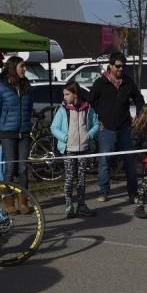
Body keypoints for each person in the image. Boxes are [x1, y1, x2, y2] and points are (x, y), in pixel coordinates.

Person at [90, 52, 145, 203]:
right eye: (118, 66)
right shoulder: (100, 83)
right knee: (104, 161)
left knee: (129, 161)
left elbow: (139, 98)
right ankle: (104, 191)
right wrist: (99, 117)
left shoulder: (128, 82)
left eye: (123, 66)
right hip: (106, 129)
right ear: (111, 65)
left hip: (124, 127)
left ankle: (132, 193)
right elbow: (91, 101)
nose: (121, 69)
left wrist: (139, 115)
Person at [50, 81, 100, 218]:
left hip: (84, 149)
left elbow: (96, 124)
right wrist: (65, 138)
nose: (64, 97)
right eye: (64, 94)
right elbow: (54, 128)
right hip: (69, 150)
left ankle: (81, 205)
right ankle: (69, 206)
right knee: (69, 178)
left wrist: (89, 135)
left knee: (82, 178)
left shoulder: (88, 108)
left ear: (75, 94)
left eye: (67, 94)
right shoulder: (62, 110)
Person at [0, 56, 33, 215]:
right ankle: (8, 201)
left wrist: (28, 124)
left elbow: (29, 108)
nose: (24, 69)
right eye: (22, 66)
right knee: (10, 167)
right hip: (7, 132)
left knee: (22, 168)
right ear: (14, 67)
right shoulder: (1, 87)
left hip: (24, 132)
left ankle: (23, 202)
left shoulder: (27, 86)